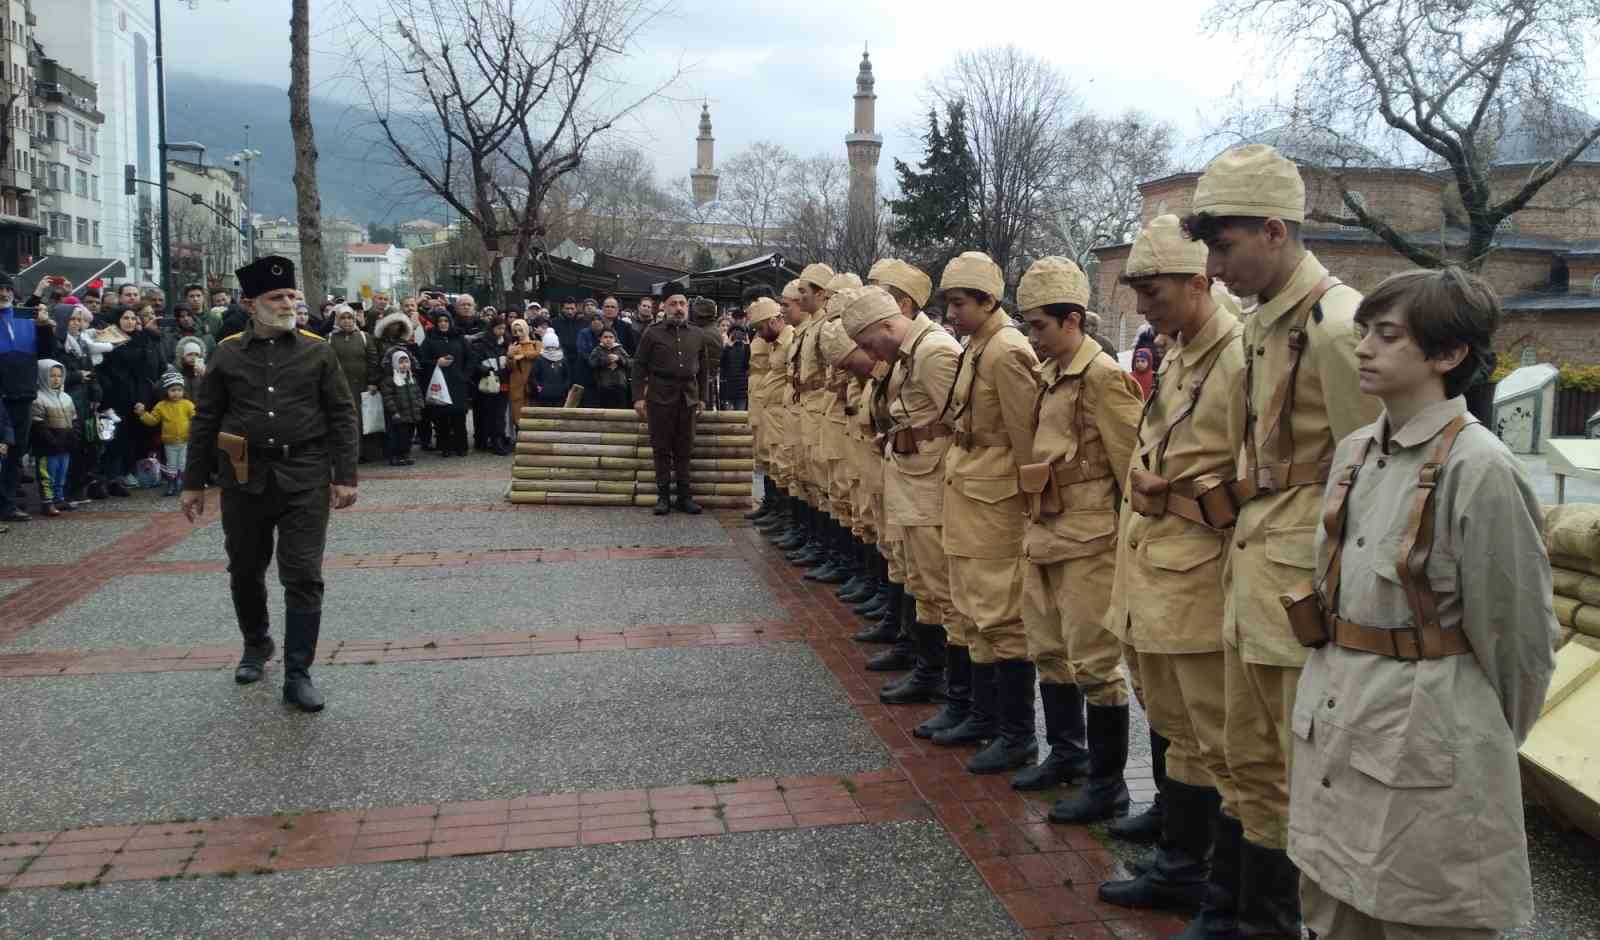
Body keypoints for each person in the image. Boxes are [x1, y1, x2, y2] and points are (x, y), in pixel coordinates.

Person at [1290, 267, 1556, 939]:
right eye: (1365, 334)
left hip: (1426, 750)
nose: (1366, 350)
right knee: (1333, 914)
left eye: (1388, 336)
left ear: (1448, 354)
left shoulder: (1480, 469)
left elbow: (1520, 640)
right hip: (1338, 732)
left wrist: (1470, 740)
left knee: (1424, 917)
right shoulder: (1355, 453)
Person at [1181, 144, 1379, 936]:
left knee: (1304, 769)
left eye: (1224, 246)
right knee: (1250, 756)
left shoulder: (1338, 328)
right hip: (1256, 567)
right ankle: (1245, 914)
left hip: (1305, 581)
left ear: (1273, 230)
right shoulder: (1265, 326)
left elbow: (1369, 479)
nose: (1215, 265)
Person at [1097, 219, 1244, 922]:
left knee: (1217, 742)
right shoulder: (1181, 353)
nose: (1143, 308)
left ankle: (1216, 884)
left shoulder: (1242, 358)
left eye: (1153, 292)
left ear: (1199, 281)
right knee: (1181, 731)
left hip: (1201, 570)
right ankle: (1180, 864)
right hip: (1156, 564)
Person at [181, 255, 359, 713]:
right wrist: (194, 482)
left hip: (305, 475)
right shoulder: (227, 352)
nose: (287, 304)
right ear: (250, 304)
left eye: (291, 297)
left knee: (302, 574)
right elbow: (206, 419)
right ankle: (256, 644)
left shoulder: (318, 350)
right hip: (244, 477)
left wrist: (345, 476)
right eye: (276, 298)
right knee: (244, 567)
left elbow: (341, 414)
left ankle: (298, 674)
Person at [1009, 256, 1143, 824]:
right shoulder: (1048, 375)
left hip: (1089, 542)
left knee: (1095, 663)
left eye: (1038, 325)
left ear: (1072, 321)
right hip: (1045, 533)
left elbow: (1130, 468)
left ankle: (1108, 783)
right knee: (1048, 649)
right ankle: (1066, 753)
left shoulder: (1104, 377)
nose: (1031, 337)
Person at [926, 252, 1042, 776]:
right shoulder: (980, 345)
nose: (950, 313)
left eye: (959, 302)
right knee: (972, 609)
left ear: (988, 300)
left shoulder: (1007, 351)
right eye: (948, 302)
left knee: (1001, 616)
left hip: (997, 504)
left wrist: (1031, 507)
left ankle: (1016, 733)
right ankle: (982, 715)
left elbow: (1028, 442)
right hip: (970, 493)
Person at [843, 280, 963, 714]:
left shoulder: (935, 352)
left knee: (939, 587)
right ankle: (927, 666)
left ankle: (949, 684)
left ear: (887, 326)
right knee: (920, 581)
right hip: (911, 478)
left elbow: (959, 425)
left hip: (932, 486)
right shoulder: (912, 352)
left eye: (868, 343)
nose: (869, 354)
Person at [630, 288, 714, 515]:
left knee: (685, 448)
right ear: (664, 308)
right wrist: (638, 397)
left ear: (687, 307)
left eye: (682, 304)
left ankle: (685, 497)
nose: (678, 308)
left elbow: (704, 370)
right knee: (661, 448)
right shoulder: (652, 333)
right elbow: (638, 366)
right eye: (673, 304)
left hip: (688, 397)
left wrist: (703, 399)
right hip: (659, 396)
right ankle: (663, 497)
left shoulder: (697, 334)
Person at [0, 273, 56, 523]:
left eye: (6, 289)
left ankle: (8, 504)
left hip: (23, 394)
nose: (3, 294)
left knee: (16, 451)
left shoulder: (25, 317)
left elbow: (46, 353)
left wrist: (44, 328)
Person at [329, 305, 383, 464]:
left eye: (350, 318)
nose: (347, 321)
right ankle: (343, 454)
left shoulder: (364, 337)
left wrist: (373, 382)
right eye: (343, 318)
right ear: (337, 320)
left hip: (362, 386)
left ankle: (364, 453)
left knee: (362, 420)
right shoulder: (330, 338)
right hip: (339, 386)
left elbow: (373, 360)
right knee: (343, 421)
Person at [418, 311, 472, 456]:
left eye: (446, 321)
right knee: (441, 417)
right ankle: (445, 447)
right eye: (440, 321)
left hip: (458, 383)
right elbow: (422, 361)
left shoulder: (459, 338)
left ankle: (461, 446)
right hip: (440, 383)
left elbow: (470, 358)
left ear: (450, 322)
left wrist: (464, 376)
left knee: (459, 416)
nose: (443, 324)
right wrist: (436, 362)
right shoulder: (430, 339)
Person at [135, 372, 196, 497]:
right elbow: (152, 420)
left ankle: (184, 485)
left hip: (185, 440)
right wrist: (142, 414)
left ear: (183, 391)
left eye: (179, 390)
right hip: (170, 442)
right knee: (171, 464)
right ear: (166, 391)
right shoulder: (161, 406)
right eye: (172, 390)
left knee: (183, 463)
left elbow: (196, 418)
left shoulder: (187, 404)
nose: (176, 393)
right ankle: (172, 485)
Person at [30, 359, 77, 516]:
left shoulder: (66, 398)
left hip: (64, 444)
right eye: (51, 376)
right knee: (47, 475)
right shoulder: (38, 398)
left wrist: (73, 437)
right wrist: (52, 440)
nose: (56, 379)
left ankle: (59, 498)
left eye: (59, 375)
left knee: (61, 474)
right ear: (42, 376)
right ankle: (47, 502)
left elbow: (74, 419)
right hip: (47, 446)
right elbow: (38, 424)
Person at [471, 319, 512, 454]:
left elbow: (509, 364)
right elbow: (475, 364)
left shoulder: (506, 344)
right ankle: (484, 439)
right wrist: (488, 371)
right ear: (492, 328)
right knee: (487, 412)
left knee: (499, 414)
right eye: (499, 328)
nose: (501, 332)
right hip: (488, 383)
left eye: (503, 329)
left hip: (502, 383)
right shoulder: (480, 345)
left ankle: (497, 439)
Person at [380, 348, 422, 466]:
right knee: (396, 436)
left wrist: (419, 404)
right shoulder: (390, 380)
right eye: (401, 362)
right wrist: (393, 410)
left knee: (409, 435)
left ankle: (406, 454)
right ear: (395, 364)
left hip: (412, 413)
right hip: (398, 414)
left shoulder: (411, 377)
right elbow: (388, 397)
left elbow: (418, 392)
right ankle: (395, 456)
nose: (404, 365)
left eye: (406, 362)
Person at [506, 318, 542, 422]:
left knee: (535, 414)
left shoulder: (536, 344)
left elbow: (540, 354)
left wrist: (524, 355)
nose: (518, 333)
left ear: (526, 329)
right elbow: (510, 367)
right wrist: (510, 356)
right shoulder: (513, 346)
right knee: (518, 416)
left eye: (520, 330)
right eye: (515, 331)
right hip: (517, 384)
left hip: (533, 383)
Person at [587, 327, 632, 409]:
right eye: (605, 337)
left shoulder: (620, 349)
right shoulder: (597, 350)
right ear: (600, 339)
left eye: (611, 337)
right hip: (604, 386)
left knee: (621, 410)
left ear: (615, 338)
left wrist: (619, 359)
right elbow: (592, 363)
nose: (608, 339)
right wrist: (606, 360)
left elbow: (630, 363)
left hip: (620, 385)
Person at [529, 329, 572, 406]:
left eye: (553, 347)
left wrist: (564, 388)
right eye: (549, 347)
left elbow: (568, 376)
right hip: (544, 397)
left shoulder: (562, 359)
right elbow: (533, 377)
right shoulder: (540, 359)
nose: (551, 349)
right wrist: (540, 388)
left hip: (560, 397)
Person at [720, 326, 751, 411]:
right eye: (735, 334)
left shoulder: (746, 348)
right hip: (728, 390)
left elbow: (747, 365)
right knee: (728, 418)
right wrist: (728, 346)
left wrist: (747, 345)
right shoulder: (726, 348)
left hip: (741, 391)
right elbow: (722, 364)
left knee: (740, 418)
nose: (737, 335)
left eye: (740, 334)